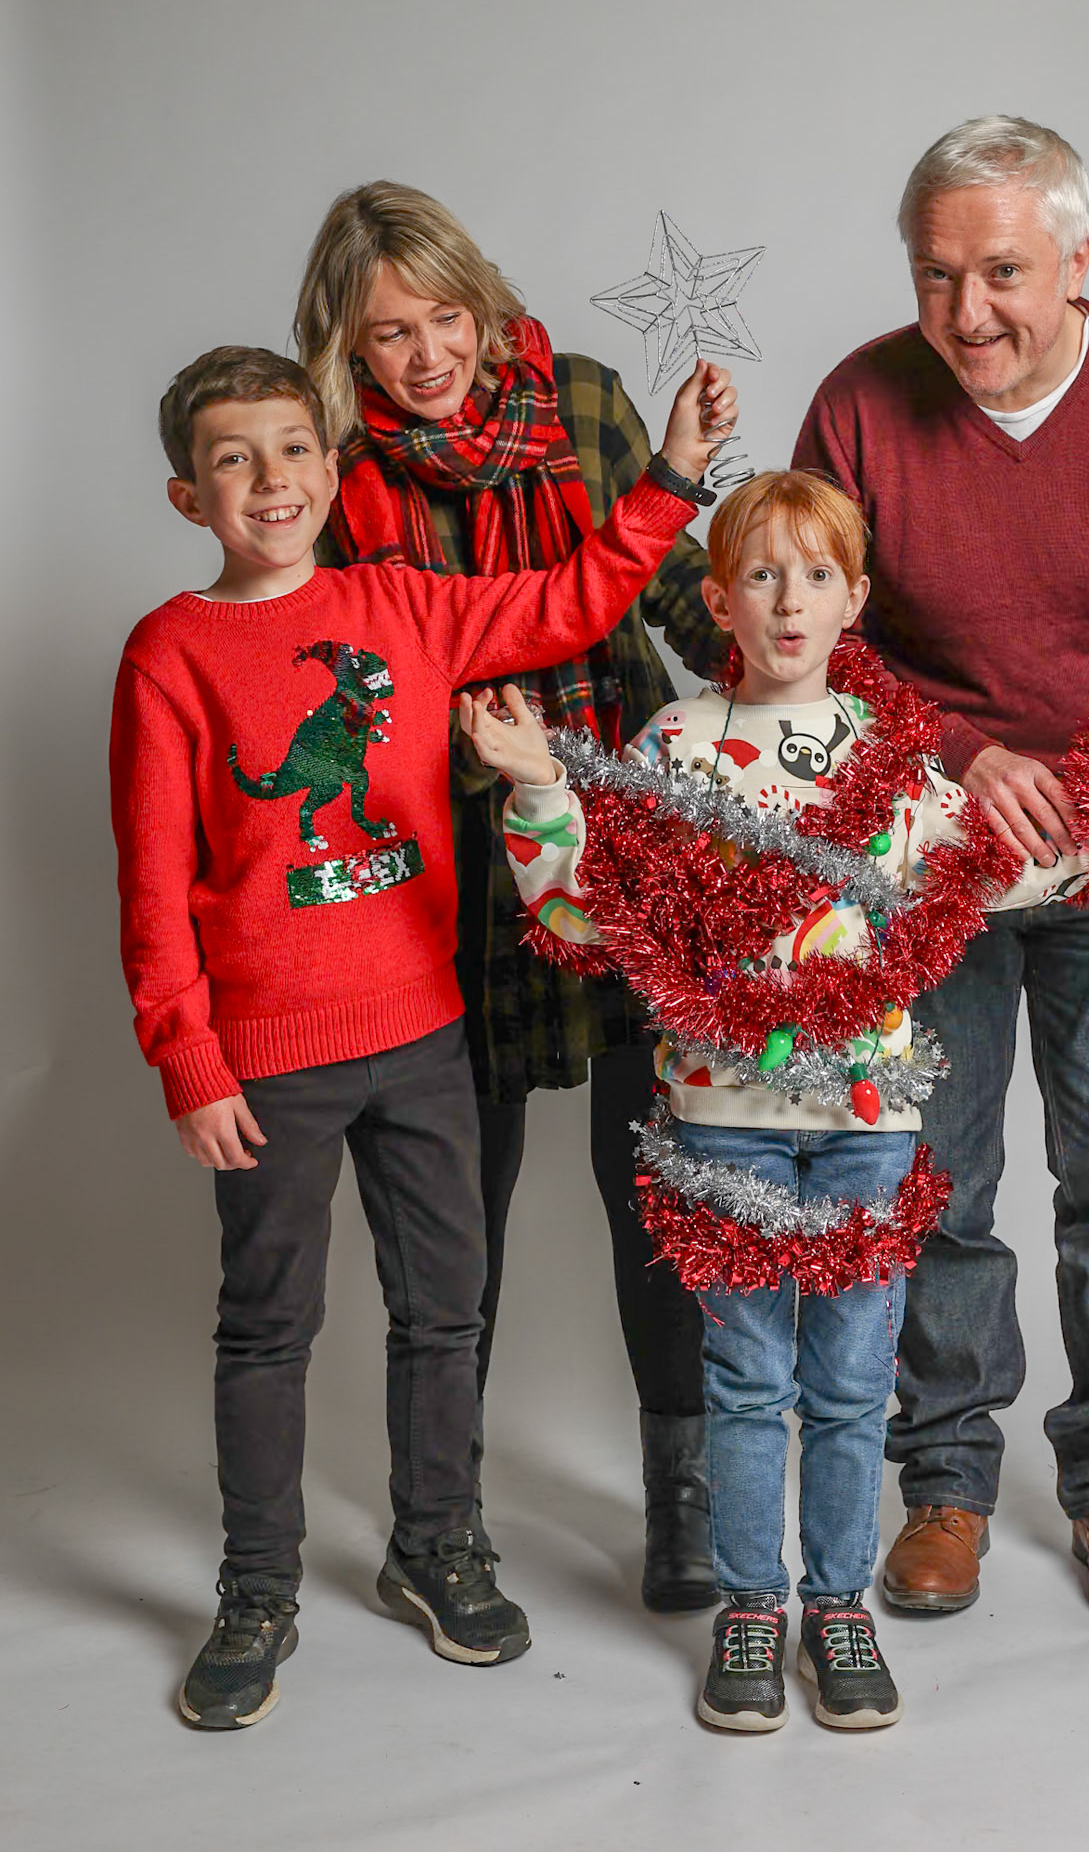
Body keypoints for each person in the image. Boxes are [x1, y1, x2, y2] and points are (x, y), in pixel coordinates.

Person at [463, 469, 1089, 1731]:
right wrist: (541, 785)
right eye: (761, 574)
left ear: (855, 600)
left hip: (867, 1127)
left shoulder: (894, 760)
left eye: (815, 575)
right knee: (748, 1380)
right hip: (722, 1121)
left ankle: (839, 1604)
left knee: (856, 1385)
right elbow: (592, 913)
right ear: (719, 600)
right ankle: (753, 1605)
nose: (788, 599)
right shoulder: (675, 748)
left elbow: (1002, 874)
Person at [110, 343, 724, 1729]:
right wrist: (187, 1056)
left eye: (292, 449)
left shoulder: (398, 604)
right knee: (266, 1326)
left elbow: (572, 598)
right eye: (232, 459)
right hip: (269, 1056)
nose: (270, 479)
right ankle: (256, 1587)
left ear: (333, 470)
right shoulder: (170, 653)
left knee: (446, 1308)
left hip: (425, 1034)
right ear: (188, 496)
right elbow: (152, 882)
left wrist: (675, 475)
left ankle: (436, 1544)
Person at [793, 115, 1089, 1626]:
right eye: (936, 276)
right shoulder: (859, 402)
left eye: (1001, 272)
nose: (968, 312)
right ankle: (944, 1481)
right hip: (930, 850)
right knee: (934, 1178)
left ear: (1076, 259)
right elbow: (819, 636)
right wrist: (957, 753)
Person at [293, 185, 732, 1610]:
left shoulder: (586, 404)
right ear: (348, 349)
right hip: (457, 876)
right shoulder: (337, 471)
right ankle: (444, 1516)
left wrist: (798, 674)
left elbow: (670, 587)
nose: (428, 355)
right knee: (451, 1213)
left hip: (626, 843)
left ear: (482, 306)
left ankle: (683, 1493)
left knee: (657, 1182)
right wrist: (459, 747)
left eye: (445, 318)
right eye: (390, 335)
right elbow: (346, 685)